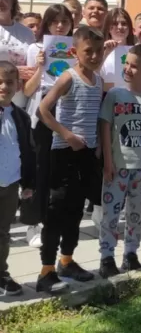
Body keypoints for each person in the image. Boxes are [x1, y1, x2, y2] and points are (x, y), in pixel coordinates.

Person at [36, 26, 104, 294]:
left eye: (99, 51)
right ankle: (46, 271)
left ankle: (66, 261)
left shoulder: (98, 80)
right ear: (75, 52)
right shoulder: (68, 77)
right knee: (57, 211)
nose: (95, 56)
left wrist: (96, 145)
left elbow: (94, 116)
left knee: (76, 210)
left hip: (86, 154)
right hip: (65, 152)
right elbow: (43, 110)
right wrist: (67, 135)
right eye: (89, 51)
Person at [98, 44, 141, 278]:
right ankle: (107, 256)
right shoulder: (115, 95)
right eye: (126, 63)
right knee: (111, 213)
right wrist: (108, 161)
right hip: (117, 166)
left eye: (134, 66)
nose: (127, 68)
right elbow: (105, 128)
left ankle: (130, 253)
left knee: (135, 214)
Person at [23, 4, 74, 249]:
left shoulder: (75, 48)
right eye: (55, 21)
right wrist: (41, 67)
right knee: (39, 168)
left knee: (61, 169)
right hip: (42, 110)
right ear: (48, 24)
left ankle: (55, 221)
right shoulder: (36, 48)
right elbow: (27, 90)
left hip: (67, 111)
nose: (60, 26)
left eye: (65, 21)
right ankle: (33, 223)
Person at [0, 61, 36, 296]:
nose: (4, 86)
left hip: (10, 183)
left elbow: (29, 151)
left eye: (9, 82)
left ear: (18, 86)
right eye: (0, 82)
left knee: (3, 232)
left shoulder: (21, 116)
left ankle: (1, 273)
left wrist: (29, 182)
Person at [0, 0, 36, 108]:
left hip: (20, 105)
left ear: (13, 0)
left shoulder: (27, 33)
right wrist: (15, 73)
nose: (0, 1)